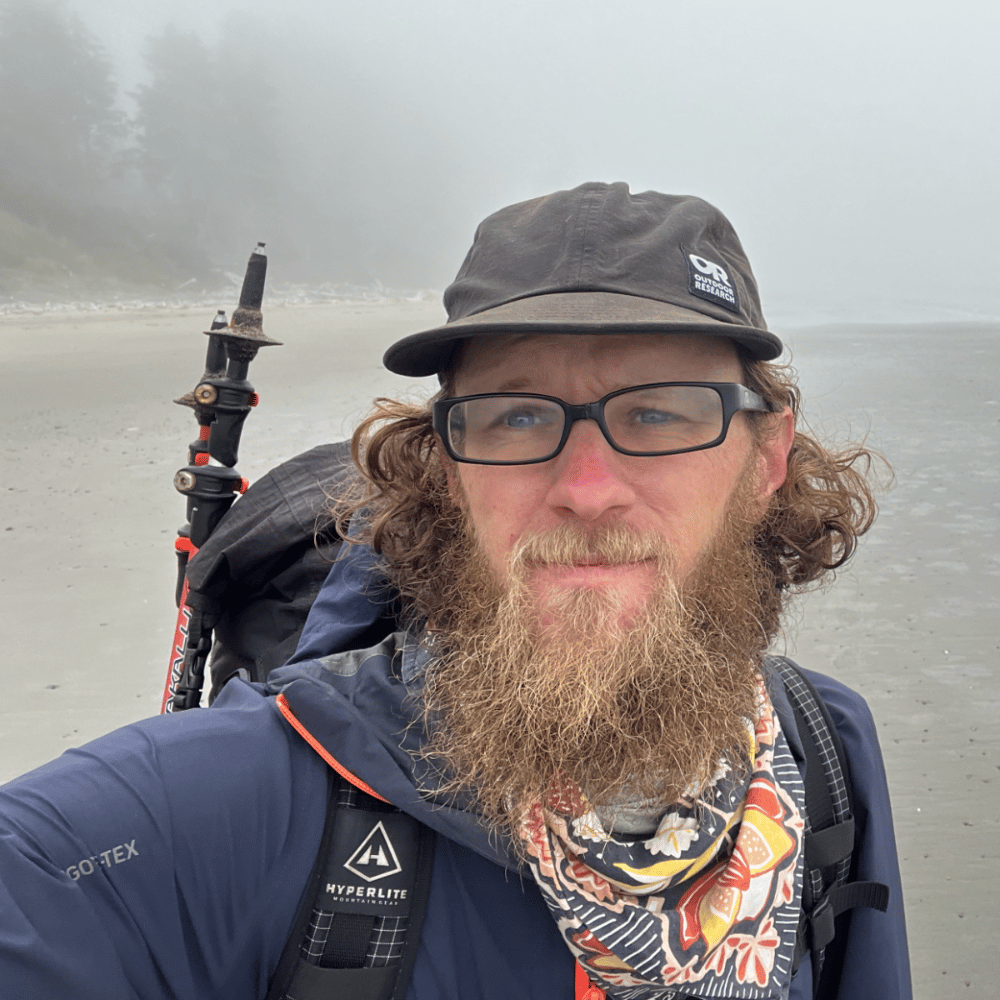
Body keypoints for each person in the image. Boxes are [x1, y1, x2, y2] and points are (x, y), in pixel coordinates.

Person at [0, 182, 910, 1000]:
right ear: (445, 468)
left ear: (767, 456)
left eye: (658, 412)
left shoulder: (823, 753)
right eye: (516, 416)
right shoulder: (244, 801)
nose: (587, 488)